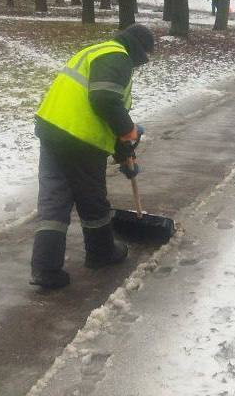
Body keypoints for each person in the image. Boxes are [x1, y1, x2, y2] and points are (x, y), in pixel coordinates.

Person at [30, 23, 155, 289]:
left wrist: (125, 155)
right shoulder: (117, 56)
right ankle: (101, 253)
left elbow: (109, 113)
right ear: (139, 51)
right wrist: (130, 130)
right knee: (92, 200)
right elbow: (104, 101)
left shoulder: (96, 51)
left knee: (54, 199)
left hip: (52, 129)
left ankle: (45, 269)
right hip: (80, 139)